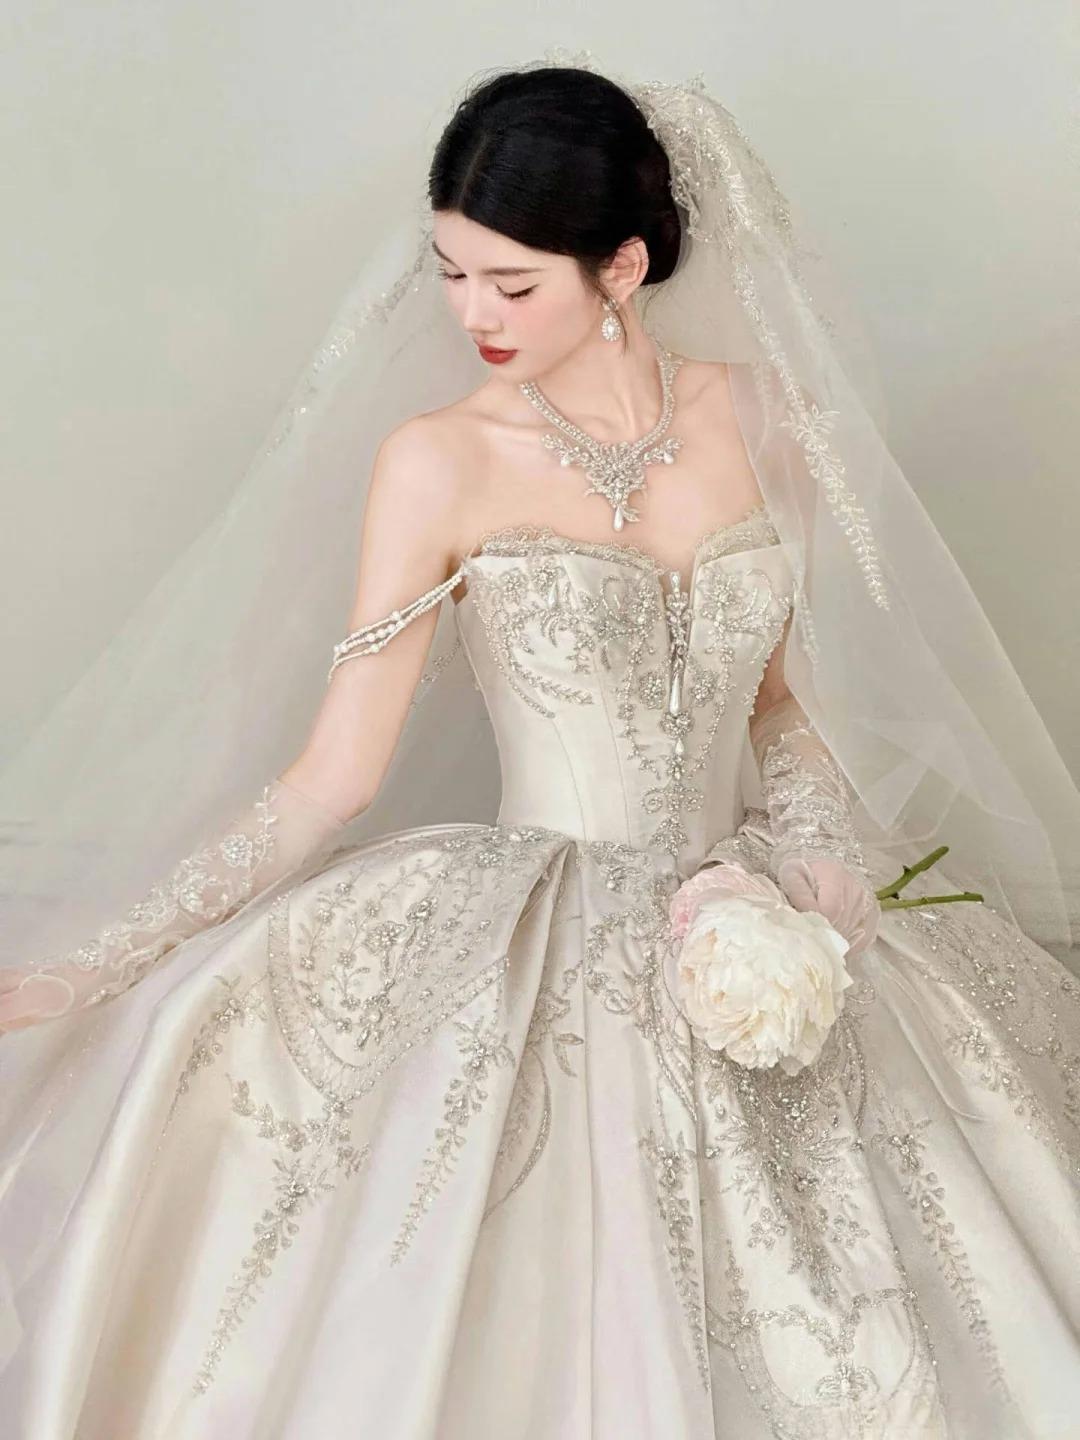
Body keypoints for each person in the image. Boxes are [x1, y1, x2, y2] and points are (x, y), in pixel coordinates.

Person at [2, 50, 1079, 1439]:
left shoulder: (767, 419)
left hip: (759, 905)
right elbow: (333, 778)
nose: (471, 314)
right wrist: (97, 962)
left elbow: (785, 711)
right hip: (529, 933)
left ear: (622, 268)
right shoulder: (438, 459)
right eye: (451, 273)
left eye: (511, 285)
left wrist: (804, 871)